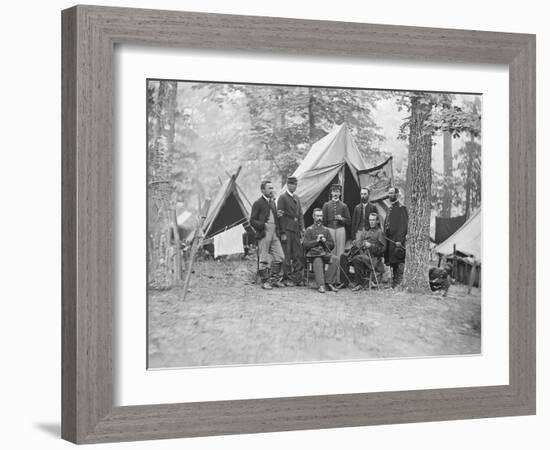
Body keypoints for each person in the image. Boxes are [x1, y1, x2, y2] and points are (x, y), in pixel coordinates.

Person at [249, 180, 286, 290]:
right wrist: (263, 225)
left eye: (272, 188)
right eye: (269, 188)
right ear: (262, 190)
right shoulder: (258, 203)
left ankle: (274, 280)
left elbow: (274, 218)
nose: (272, 190)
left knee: (280, 257)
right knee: (263, 258)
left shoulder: (272, 202)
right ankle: (265, 282)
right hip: (264, 233)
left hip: (274, 233)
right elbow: (252, 220)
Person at [303, 209, 340, 294]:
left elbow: (332, 245)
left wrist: (325, 241)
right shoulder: (309, 229)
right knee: (318, 260)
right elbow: (305, 245)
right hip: (313, 254)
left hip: (324, 253)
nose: (319, 218)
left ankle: (328, 283)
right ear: (313, 217)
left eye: (321, 216)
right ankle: (321, 285)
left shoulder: (325, 230)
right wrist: (316, 241)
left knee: (335, 259)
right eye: (317, 216)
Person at [277, 176, 305, 286]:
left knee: (297, 254)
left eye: (296, 185)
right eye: (292, 184)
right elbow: (280, 216)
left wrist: (302, 227)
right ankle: (287, 277)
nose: (294, 186)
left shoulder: (297, 198)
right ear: (288, 185)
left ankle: (297, 278)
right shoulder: (282, 198)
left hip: (296, 230)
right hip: (287, 229)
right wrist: (283, 232)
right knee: (287, 254)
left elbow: (300, 214)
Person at [322, 184, 350, 286]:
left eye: (337, 191)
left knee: (340, 253)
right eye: (334, 191)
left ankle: (339, 279)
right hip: (329, 229)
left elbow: (348, 221)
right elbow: (323, 220)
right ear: (331, 192)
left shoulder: (344, 206)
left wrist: (341, 219)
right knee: (331, 253)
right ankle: (331, 279)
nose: (335, 193)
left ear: (340, 193)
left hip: (340, 229)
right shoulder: (326, 205)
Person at [350, 212, 386, 291]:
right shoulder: (368, 232)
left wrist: (371, 246)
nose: (371, 222)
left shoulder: (380, 233)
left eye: (373, 220)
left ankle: (360, 283)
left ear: (377, 221)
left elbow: (382, 250)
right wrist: (361, 244)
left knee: (357, 259)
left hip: (375, 260)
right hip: (366, 257)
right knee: (350, 256)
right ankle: (359, 282)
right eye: (370, 220)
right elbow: (363, 246)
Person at [384, 186, 408, 288]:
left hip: (397, 240)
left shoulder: (401, 208)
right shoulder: (390, 207)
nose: (390, 195)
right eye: (389, 193)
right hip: (390, 238)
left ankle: (398, 283)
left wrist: (400, 241)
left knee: (398, 260)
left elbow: (403, 226)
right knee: (392, 261)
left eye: (392, 193)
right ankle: (394, 282)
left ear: (397, 194)